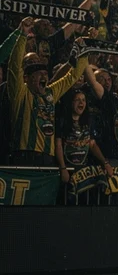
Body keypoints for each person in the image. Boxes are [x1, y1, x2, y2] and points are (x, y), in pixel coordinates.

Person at [7, 18, 90, 166]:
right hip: (24, 155)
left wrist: (84, 52)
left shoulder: (51, 92)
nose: (44, 76)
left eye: (45, 73)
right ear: (28, 78)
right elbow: (14, 67)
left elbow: (72, 77)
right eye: (38, 73)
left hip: (48, 157)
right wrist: (22, 36)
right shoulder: (21, 93)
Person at [55, 89, 113, 182]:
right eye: (77, 100)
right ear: (71, 102)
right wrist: (63, 168)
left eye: (83, 100)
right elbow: (58, 145)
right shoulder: (62, 121)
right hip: (68, 168)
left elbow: (92, 144)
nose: (81, 102)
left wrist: (104, 162)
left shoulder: (88, 121)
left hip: (83, 170)